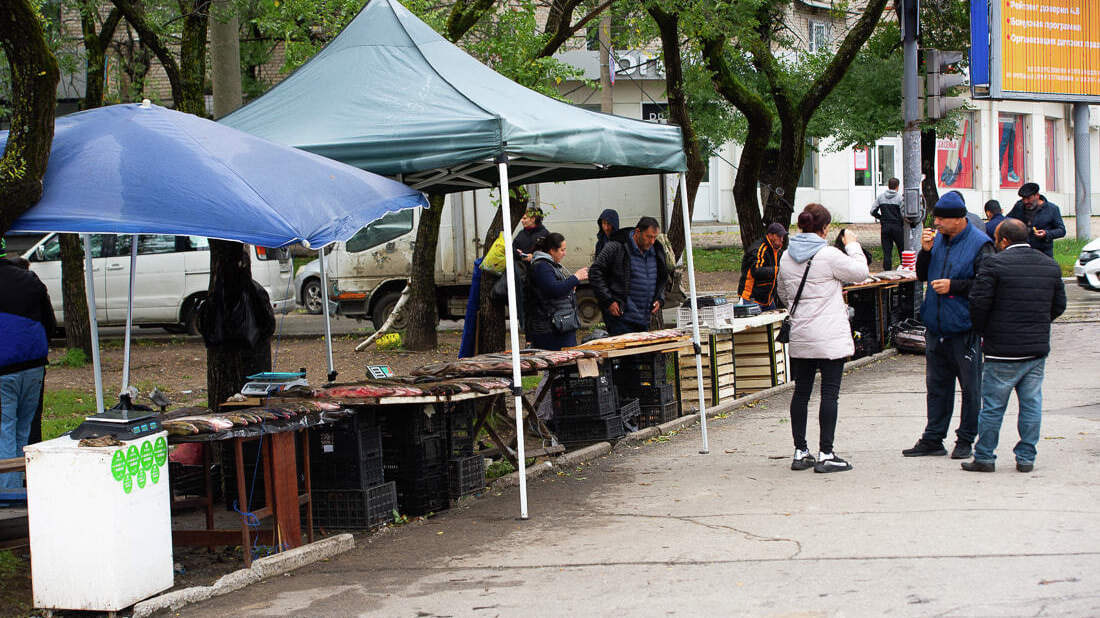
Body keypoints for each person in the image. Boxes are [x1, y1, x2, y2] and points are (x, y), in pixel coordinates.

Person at [962, 219, 1066, 473]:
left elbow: (978, 304)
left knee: (993, 407)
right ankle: (1026, 457)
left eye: (997, 239)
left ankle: (985, 456)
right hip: (1035, 350)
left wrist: (985, 331)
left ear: (1004, 241)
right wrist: (1038, 323)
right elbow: (1059, 305)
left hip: (1001, 351)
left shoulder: (994, 265)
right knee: (1031, 404)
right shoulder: (1049, 266)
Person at [776, 204, 869, 473]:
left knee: (801, 393)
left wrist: (801, 307)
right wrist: (852, 245)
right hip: (829, 336)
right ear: (825, 228)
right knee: (830, 393)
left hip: (802, 333)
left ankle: (800, 451)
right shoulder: (828, 254)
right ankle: (826, 453)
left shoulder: (785, 257)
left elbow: (783, 291)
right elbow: (860, 273)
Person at [902, 192, 994, 459]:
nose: (937, 223)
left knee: (970, 387)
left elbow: (987, 284)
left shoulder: (981, 244)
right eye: (936, 218)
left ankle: (965, 439)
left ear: (959, 219)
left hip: (964, 327)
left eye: (942, 219)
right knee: (937, 386)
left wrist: (955, 286)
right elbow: (921, 275)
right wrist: (926, 252)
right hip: (936, 326)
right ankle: (933, 438)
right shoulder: (937, 241)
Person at [0, 238, 56, 492]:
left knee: (5, 428)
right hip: (34, 364)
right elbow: (51, 324)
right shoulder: (30, 279)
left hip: (4, 370)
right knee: (26, 426)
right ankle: (28, 486)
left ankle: (9, 491)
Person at [589, 216, 669, 336]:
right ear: (638, 232)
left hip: (643, 319)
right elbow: (595, 272)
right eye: (649, 237)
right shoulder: (616, 247)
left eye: (654, 237)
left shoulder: (656, 250)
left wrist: (659, 298)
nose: (652, 241)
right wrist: (609, 301)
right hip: (621, 318)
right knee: (624, 354)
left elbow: (661, 278)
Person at [526, 233, 588, 351]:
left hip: (560, 326)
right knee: (564, 366)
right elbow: (554, 289)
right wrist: (575, 278)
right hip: (551, 329)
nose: (565, 253)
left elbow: (555, 288)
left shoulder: (549, 265)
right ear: (551, 251)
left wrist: (569, 287)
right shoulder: (542, 267)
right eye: (562, 250)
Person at [1006, 182, 1066, 257]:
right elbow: (1008, 220)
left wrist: (1046, 234)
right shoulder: (1019, 206)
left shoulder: (1052, 209)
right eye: (1023, 199)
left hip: (1043, 253)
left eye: (1028, 198)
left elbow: (1061, 230)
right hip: (1022, 252)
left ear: (1037, 195)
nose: (1025, 201)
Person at [738, 222, 787, 310]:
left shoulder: (777, 251)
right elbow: (756, 271)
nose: (781, 239)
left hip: (767, 299)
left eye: (783, 236)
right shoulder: (759, 250)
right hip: (751, 298)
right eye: (779, 236)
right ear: (770, 235)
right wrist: (778, 270)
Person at [870, 177, 904, 271]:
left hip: (885, 227)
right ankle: (904, 270)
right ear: (897, 186)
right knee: (902, 250)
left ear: (888, 186)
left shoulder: (881, 197)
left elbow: (872, 211)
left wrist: (881, 218)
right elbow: (904, 214)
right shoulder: (900, 198)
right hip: (898, 227)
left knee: (887, 252)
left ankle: (887, 272)